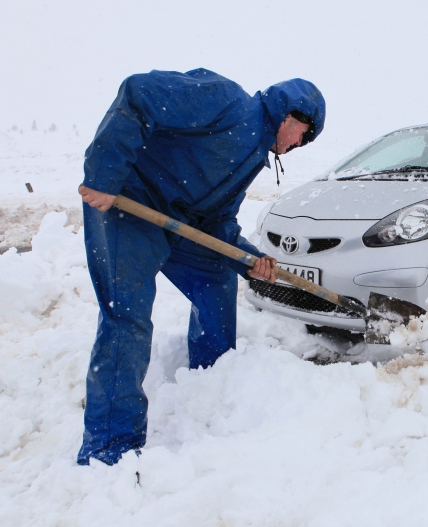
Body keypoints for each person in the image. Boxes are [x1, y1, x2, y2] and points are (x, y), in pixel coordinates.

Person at [76, 69, 325, 466]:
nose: (299, 144)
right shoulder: (227, 102)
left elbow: (218, 222)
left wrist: (247, 259)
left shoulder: (252, 159)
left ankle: (210, 386)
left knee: (216, 281)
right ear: (289, 116)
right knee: (127, 317)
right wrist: (105, 174)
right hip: (130, 204)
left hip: (180, 224)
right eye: (304, 134)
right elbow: (141, 93)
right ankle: (109, 449)